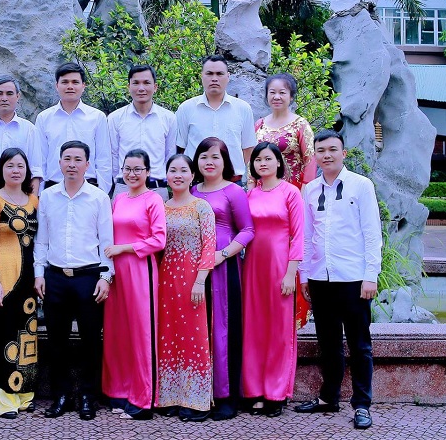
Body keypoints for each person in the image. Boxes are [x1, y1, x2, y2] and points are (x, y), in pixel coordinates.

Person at [294, 130, 381, 430]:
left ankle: (362, 404)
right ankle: (328, 397)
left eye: (332, 149)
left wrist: (370, 276)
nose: (327, 155)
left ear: (343, 153)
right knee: (328, 343)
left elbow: (372, 233)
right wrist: (305, 274)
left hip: (354, 278)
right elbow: (307, 237)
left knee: (360, 345)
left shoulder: (361, 186)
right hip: (320, 278)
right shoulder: (310, 190)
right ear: (315, 156)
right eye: (321, 151)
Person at [34, 140, 114, 421]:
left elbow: (106, 241)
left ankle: (88, 396)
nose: (72, 164)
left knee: (91, 339)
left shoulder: (98, 198)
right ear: (59, 163)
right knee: (57, 341)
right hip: (55, 277)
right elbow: (41, 240)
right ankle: (62, 395)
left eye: (78, 159)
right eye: (67, 159)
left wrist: (106, 276)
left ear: (87, 165)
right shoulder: (48, 196)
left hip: (88, 277)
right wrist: (39, 273)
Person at [191, 136, 254, 420]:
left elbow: (248, 230)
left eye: (215, 156)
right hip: (194, 268)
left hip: (223, 267)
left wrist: (223, 254)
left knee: (222, 328)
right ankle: (199, 394)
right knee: (199, 328)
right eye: (204, 156)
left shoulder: (233, 191)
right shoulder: (192, 190)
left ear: (225, 161)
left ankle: (226, 396)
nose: (209, 162)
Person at [102, 149, 166, 421]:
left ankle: (143, 399)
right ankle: (119, 391)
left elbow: (159, 240)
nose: (132, 174)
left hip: (141, 269)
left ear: (148, 172)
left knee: (142, 332)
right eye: (127, 169)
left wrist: (124, 248)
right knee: (118, 331)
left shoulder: (154, 199)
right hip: (117, 273)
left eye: (138, 169)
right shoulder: (118, 199)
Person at [241, 142, 304, 417]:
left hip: (280, 266)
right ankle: (254, 391)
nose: (263, 163)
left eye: (268, 158)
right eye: (258, 160)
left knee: (279, 329)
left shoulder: (290, 192)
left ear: (279, 162)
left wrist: (291, 273)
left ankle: (276, 392)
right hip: (253, 267)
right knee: (253, 328)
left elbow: (298, 236)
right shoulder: (249, 195)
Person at [250, 73, 316, 329]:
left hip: (292, 196)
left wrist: (302, 196)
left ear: (291, 96)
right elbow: (252, 163)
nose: (277, 97)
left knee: (291, 249)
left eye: (282, 92)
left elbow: (310, 162)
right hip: (262, 197)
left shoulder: (300, 125)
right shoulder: (259, 125)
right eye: (272, 92)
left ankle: (294, 314)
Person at [155, 154, 216, 422]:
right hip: (165, 278)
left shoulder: (202, 207)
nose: (177, 175)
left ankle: (196, 400)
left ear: (192, 176)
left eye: (183, 171)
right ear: (166, 176)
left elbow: (209, 246)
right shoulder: (160, 207)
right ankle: (169, 397)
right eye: (173, 170)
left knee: (195, 335)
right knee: (168, 335)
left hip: (193, 279)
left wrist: (200, 280)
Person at [0, 148, 40, 419]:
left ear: (27, 171)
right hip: (3, 280)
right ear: (1, 170)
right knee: (3, 337)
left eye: (20, 166)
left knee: (27, 335)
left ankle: (25, 394)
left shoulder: (34, 200)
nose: (15, 170)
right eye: (10, 166)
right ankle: (4, 399)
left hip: (28, 279)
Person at [176, 55, 255, 184]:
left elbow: (248, 149)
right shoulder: (186, 108)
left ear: (228, 76)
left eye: (219, 74)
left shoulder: (243, 109)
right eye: (209, 74)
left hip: (232, 183)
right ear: (202, 76)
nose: (214, 78)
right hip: (196, 183)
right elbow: (181, 148)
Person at [35, 63, 112, 192]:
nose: (70, 86)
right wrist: (40, 194)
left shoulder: (97, 117)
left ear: (83, 86)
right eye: (65, 82)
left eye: (75, 82)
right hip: (52, 189)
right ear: (57, 86)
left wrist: (102, 193)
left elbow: (104, 159)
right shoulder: (44, 118)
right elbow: (39, 160)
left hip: (89, 188)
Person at [108, 65, 176, 200]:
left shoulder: (168, 118)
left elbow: (170, 155)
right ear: (128, 87)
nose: (141, 88)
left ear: (155, 87)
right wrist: (123, 180)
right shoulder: (115, 118)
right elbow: (113, 155)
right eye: (136, 83)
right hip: (124, 189)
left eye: (146, 83)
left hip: (157, 189)